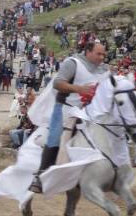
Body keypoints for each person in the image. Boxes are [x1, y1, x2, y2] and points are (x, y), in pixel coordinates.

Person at [29, 42, 108, 193]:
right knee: (55, 136)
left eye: (103, 54)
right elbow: (58, 83)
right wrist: (79, 89)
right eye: (99, 54)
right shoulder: (73, 63)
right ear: (88, 52)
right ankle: (40, 175)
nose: (102, 57)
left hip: (88, 110)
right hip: (66, 107)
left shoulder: (103, 69)